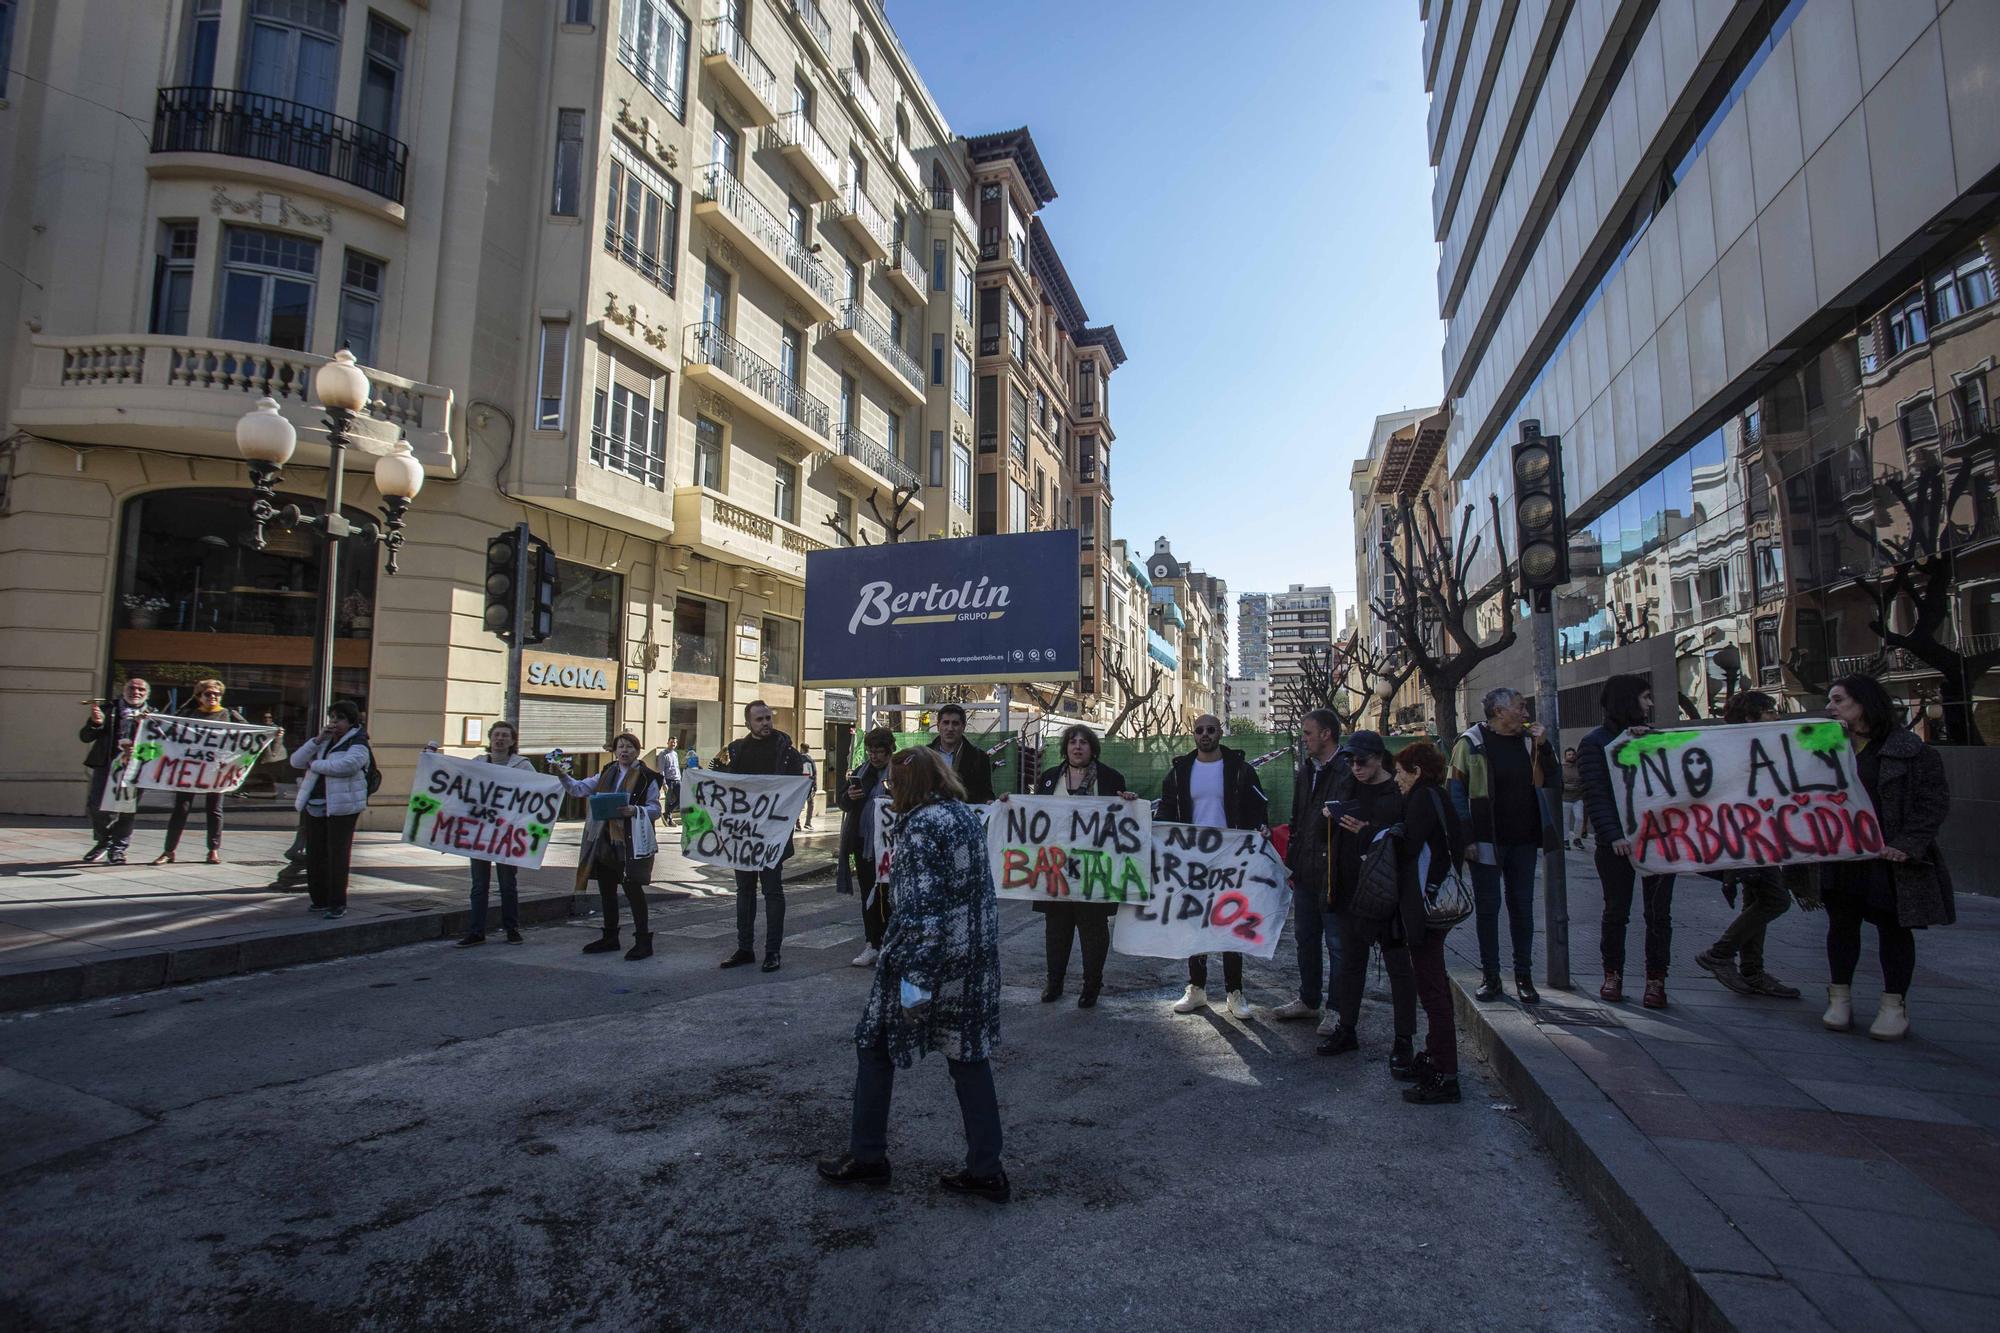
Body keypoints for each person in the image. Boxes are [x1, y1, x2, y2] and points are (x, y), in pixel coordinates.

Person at [819, 747, 1008, 1202]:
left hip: (930, 961)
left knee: (874, 1045)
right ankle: (986, 1167)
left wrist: (916, 985)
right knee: (968, 1057)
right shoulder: (960, 815)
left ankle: (866, 1156)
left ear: (909, 786)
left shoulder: (922, 827)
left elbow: (923, 914)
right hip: (973, 957)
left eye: (891, 785)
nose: (887, 791)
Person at [1820, 674, 1954, 1041]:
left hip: (1890, 859)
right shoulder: (1823, 750)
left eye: (1838, 700)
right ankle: (1839, 997)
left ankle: (1894, 1005)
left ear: (1864, 704)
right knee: (1841, 927)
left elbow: (1932, 803)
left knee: (1893, 930)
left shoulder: (1913, 751)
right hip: (1844, 856)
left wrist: (1907, 844)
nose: (1830, 708)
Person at [1449, 687, 1559, 1004]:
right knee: (1488, 908)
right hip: (1485, 841)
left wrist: (1544, 746)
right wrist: (1466, 838)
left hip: (1523, 839)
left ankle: (1523, 976)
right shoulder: (1470, 743)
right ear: (1499, 712)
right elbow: (1456, 792)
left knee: (1522, 908)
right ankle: (1491, 976)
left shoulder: (1529, 742)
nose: (1526, 713)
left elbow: (1552, 780)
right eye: (1520, 707)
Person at [1156, 713, 1269, 1018]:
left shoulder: (1240, 770)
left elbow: (1258, 804)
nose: (1205, 734)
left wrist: (1260, 826)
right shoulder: (1181, 770)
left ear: (1220, 733)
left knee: (1231, 921)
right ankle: (1197, 989)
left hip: (1231, 859)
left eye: (1210, 730)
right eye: (1199, 730)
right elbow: (1167, 806)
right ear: (1193, 735)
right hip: (1193, 859)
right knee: (1196, 923)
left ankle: (1234, 992)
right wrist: (1159, 832)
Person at [1576, 675, 1676, 1008]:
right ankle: (1612, 974)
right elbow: (1596, 793)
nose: (1650, 704)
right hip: (1616, 845)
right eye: (1645, 697)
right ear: (1627, 700)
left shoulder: (1654, 739)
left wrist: (1647, 744)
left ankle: (1656, 980)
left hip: (1658, 842)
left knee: (1659, 915)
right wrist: (1613, 834)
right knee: (1615, 912)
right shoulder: (1595, 743)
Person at [1693, 692, 1801, 999]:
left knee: (1756, 899)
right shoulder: (1732, 750)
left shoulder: (1769, 746)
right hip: (1748, 837)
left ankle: (1753, 971)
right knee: (1775, 900)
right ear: (1751, 718)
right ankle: (1720, 952)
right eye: (1769, 712)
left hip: (1763, 836)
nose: (1776, 717)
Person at [1320, 732, 1417, 1066]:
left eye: (1362, 761)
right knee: (1350, 964)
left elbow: (1404, 843)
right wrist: (1329, 818)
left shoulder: (1397, 792)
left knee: (1399, 970)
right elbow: (1329, 836)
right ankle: (1347, 1028)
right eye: (1351, 761)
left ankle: (1404, 1039)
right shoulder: (1347, 785)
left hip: (1388, 896)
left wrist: (1367, 831)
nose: (1356, 767)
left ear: (1379, 758)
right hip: (1349, 890)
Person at [1030, 724, 1135, 1009]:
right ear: (1065, 748)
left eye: (1084, 742)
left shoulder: (1111, 778)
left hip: (1095, 870)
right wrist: (1008, 806)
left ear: (1092, 748)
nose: (1077, 747)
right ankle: (1054, 982)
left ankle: (1091, 986)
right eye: (1072, 742)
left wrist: (1128, 803)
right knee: (1056, 930)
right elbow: (1033, 814)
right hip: (1056, 869)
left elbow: (1122, 822)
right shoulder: (1050, 779)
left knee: (1093, 931)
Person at [1391, 741, 1469, 1105]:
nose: (1396, 779)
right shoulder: (1437, 797)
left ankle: (1445, 1072)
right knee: (1432, 985)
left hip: (1426, 907)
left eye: (1400, 772)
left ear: (1416, 771)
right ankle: (1435, 1056)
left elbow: (1407, 848)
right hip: (1435, 903)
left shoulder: (1421, 800)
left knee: (1433, 990)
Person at [1274, 708, 1352, 1033]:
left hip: (1333, 873)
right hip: (1305, 872)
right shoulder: (1307, 770)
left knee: (1337, 944)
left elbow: (1340, 822)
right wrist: (1292, 858)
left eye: (1308, 733)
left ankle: (1336, 1009)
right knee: (1305, 939)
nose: (1304, 739)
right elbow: (1298, 818)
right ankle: (1309, 1000)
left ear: (1326, 734)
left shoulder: (1348, 770)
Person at [717, 701, 807, 973]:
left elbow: (799, 792)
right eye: (759, 719)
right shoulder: (733, 751)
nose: (766, 723)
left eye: (768, 717)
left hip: (772, 835)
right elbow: (718, 780)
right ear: (748, 723)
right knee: (744, 891)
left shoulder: (790, 755)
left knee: (772, 891)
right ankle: (745, 948)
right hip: (742, 835)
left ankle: (772, 951)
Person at [558, 732, 663, 961]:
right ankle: (610, 936)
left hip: (631, 842)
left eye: (629, 747)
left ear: (637, 750)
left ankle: (643, 940)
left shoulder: (648, 777)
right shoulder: (607, 772)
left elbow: (655, 809)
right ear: (614, 750)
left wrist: (634, 810)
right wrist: (562, 776)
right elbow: (579, 789)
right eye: (620, 747)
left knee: (633, 890)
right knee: (607, 890)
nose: (624, 751)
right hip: (605, 840)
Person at [438, 721, 537, 948]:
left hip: (507, 834)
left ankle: (512, 929)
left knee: (507, 884)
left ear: (512, 742)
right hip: (479, 833)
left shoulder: (522, 766)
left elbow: (535, 792)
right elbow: (458, 781)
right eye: (496, 735)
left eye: (505, 736)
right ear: (490, 739)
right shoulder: (478, 763)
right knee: (479, 885)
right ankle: (476, 931)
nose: (500, 739)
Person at [150, 679, 249, 866]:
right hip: (190, 770)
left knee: (214, 810)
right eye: (208, 694)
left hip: (216, 770)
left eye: (217, 694)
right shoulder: (188, 714)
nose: (213, 697)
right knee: (181, 809)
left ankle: (213, 850)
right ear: (199, 697)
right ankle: (168, 851)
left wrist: (273, 734)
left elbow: (250, 734)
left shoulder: (230, 715)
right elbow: (166, 729)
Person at [289, 700, 372, 920]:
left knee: (337, 855)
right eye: (333, 717)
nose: (335, 722)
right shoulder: (323, 742)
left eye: (341, 718)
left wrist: (315, 765)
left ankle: (337, 903)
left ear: (351, 721)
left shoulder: (359, 742)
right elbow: (296, 760)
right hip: (315, 805)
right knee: (315, 853)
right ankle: (319, 899)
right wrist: (317, 741)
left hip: (342, 807)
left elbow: (346, 766)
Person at [79, 677, 152, 865]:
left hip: (135, 768)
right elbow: (85, 737)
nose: (136, 692)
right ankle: (104, 841)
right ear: (124, 690)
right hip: (107, 765)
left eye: (141, 690)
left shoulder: (153, 715)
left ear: (147, 694)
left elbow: (159, 746)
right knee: (97, 806)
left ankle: (118, 848)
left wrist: (140, 750)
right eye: (132, 688)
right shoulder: (108, 710)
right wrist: (95, 723)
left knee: (126, 810)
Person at [838, 729, 896, 968]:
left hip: (890, 846)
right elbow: (843, 802)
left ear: (889, 751)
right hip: (864, 845)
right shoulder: (862, 772)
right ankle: (872, 942)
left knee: (889, 896)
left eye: (879, 752)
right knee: (868, 896)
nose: (874, 756)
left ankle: (891, 944)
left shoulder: (899, 772)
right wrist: (849, 796)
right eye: (871, 751)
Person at [928, 703, 996, 803]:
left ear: (963, 727)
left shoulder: (979, 757)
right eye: (946, 723)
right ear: (938, 726)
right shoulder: (924, 756)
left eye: (955, 723)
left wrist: (990, 802)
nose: (950, 728)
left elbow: (986, 794)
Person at [1561, 747, 1587, 850]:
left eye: (1573, 754)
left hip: (1578, 797)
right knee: (1565, 821)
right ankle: (1565, 840)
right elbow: (1560, 783)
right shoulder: (1561, 768)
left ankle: (1577, 838)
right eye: (1569, 755)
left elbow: (1584, 779)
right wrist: (1568, 787)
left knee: (1579, 818)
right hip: (1565, 797)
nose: (1572, 756)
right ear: (1565, 756)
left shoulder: (1579, 767)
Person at [658, 743, 682, 829]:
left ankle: (667, 813)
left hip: (677, 779)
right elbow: (661, 769)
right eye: (671, 742)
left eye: (675, 742)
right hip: (668, 780)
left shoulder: (675, 753)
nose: (673, 744)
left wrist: (679, 778)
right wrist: (664, 783)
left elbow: (677, 767)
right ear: (668, 743)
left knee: (682, 798)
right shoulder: (663, 754)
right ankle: (669, 819)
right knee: (669, 800)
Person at [798, 742, 818, 830]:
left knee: (797, 805)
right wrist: (815, 785)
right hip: (808, 785)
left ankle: (797, 824)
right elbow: (814, 773)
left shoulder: (797, 759)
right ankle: (808, 822)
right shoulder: (810, 760)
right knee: (810, 803)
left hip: (799, 786)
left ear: (801, 749)